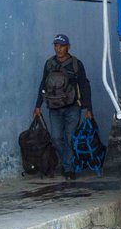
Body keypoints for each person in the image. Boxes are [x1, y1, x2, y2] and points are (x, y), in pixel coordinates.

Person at [33, 34, 92, 180]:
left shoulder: (76, 64)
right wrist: (38, 105)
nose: (58, 49)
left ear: (68, 47)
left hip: (73, 107)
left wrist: (89, 108)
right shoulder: (49, 64)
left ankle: (68, 169)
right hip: (54, 108)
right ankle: (68, 162)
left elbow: (84, 85)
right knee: (56, 138)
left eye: (61, 46)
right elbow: (43, 84)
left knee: (69, 137)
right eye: (56, 46)